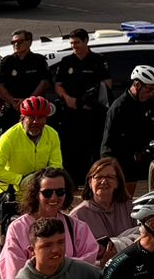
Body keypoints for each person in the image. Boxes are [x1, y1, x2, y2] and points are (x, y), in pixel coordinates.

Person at [0, 167, 102, 279]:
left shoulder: (77, 227)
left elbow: (88, 263)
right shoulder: (17, 229)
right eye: (47, 193)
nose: (54, 197)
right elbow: (13, 273)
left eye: (60, 192)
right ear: (36, 194)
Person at [48, 30, 112, 187]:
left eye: (77, 43)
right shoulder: (67, 61)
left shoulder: (98, 60)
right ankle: (73, 184)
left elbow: (107, 84)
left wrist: (91, 98)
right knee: (72, 152)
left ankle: (93, 184)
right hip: (71, 114)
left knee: (94, 150)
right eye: (71, 44)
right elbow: (58, 85)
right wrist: (67, 98)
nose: (74, 46)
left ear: (86, 41)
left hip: (93, 114)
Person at [100, 65, 154, 190]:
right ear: (137, 85)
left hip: (133, 161)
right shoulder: (119, 108)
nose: (152, 94)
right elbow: (107, 145)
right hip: (118, 162)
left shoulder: (143, 102)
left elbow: (147, 125)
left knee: (128, 201)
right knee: (118, 201)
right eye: (149, 90)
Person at [0, 95, 64, 198]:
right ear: (22, 118)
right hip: (9, 193)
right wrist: (20, 179)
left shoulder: (52, 134)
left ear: (46, 119)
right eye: (31, 117)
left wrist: (45, 179)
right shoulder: (8, 138)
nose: (35, 122)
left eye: (40, 117)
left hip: (38, 191)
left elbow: (56, 165)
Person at [0, 30, 52, 107]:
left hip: (33, 108)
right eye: (13, 42)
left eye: (20, 41)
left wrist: (28, 101)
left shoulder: (38, 60)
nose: (16, 44)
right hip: (12, 107)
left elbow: (45, 83)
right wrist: (13, 102)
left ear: (29, 42)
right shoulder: (6, 61)